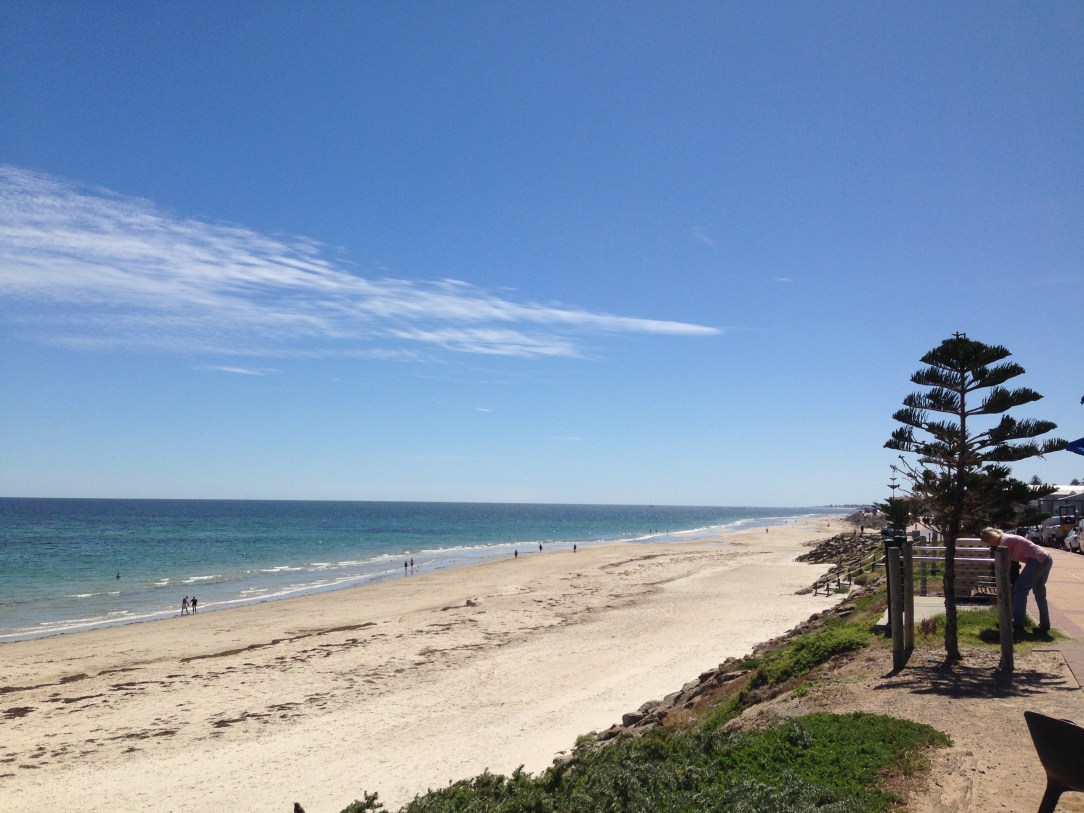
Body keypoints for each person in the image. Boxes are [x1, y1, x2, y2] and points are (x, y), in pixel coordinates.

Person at [980, 527, 1052, 634]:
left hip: (1037, 561)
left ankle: (1018, 623)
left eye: (988, 542)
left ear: (991, 537)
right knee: (1039, 592)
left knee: (1019, 589)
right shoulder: (1007, 538)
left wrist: (1002, 577)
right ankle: (1045, 624)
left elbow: (1006, 563)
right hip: (1046, 558)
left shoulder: (1005, 541)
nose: (990, 545)